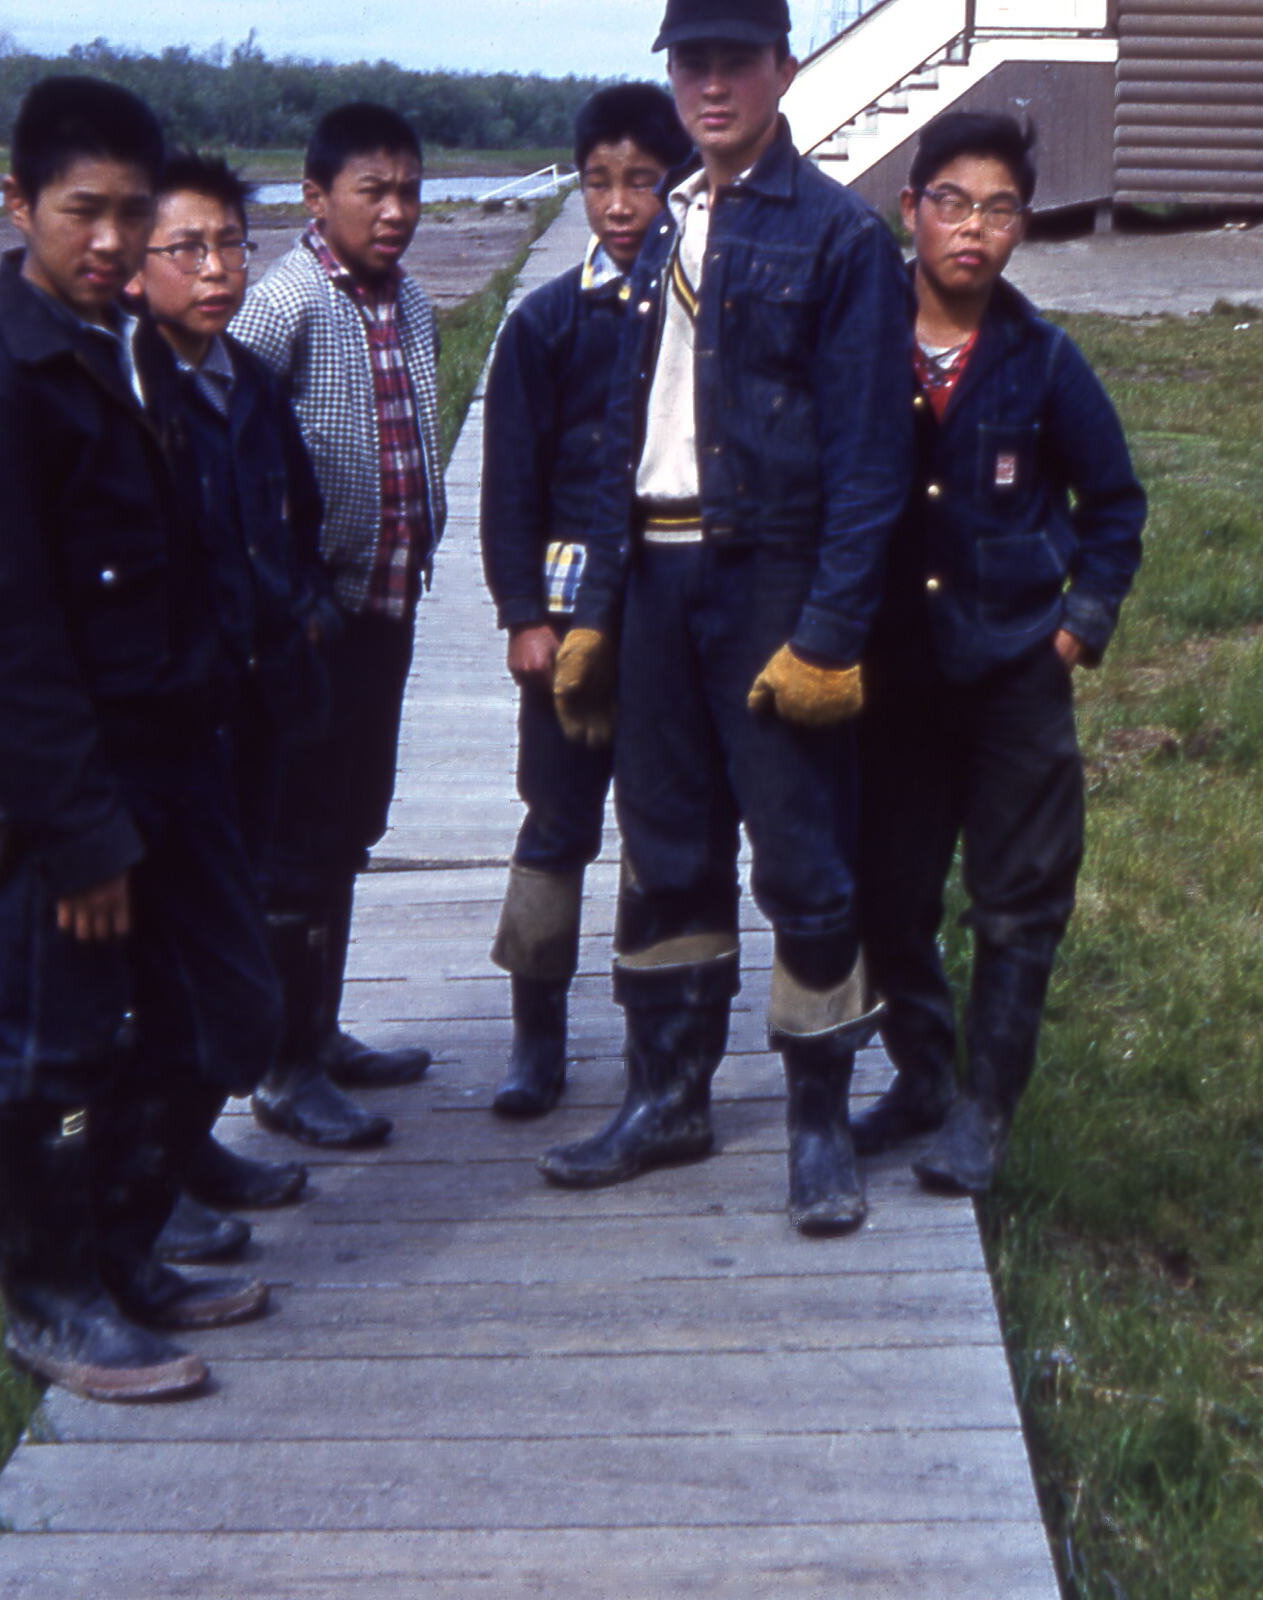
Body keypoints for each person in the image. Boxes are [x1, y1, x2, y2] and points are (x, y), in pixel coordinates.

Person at [0, 77, 279, 1403]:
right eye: (83, 212)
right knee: (53, 1053)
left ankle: (127, 1252)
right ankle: (54, 1304)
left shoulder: (130, 352)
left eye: (133, 212)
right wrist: (73, 835)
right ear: (17, 208)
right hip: (79, 789)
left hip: (182, 762)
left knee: (224, 1012)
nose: (113, 240)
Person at [542, 0, 913, 1235]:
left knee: (804, 857)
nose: (709, 85)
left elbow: (870, 465)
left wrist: (830, 635)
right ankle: (669, 1097)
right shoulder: (659, 233)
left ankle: (818, 1125)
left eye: (733, 62)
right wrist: (595, 606)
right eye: (689, 63)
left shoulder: (844, 240)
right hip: (653, 577)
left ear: (782, 69)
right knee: (664, 850)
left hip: (768, 580)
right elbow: (612, 451)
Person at [850, 113, 1146, 1195]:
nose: (973, 229)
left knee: (1019, 898)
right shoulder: (860, 336)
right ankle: (923, 1071)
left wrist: (1079, 623)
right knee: (886, 890)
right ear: (911, 209)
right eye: (952, 203)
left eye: (1000, 208)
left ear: (1024, 225)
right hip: (889, 677)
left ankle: (986, 1110)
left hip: (1015, 673)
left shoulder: (1043, 362)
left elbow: (1116, 505)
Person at [125, 150, 337, 1262]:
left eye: (229, 247)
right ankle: (143, 1189)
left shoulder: (244, 381)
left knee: (242, 919)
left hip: (256, 703)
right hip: (173, 722)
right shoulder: (128, 396)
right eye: (187, 249)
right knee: (167, 960)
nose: (215, 270)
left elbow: (291, 515)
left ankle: (194, 1147)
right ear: (132, 263)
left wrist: (299, 612)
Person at [230, 103, 446, 1146]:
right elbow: (228, 453)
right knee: (297, 840)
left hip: (386, 611)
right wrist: (281, 589)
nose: (397, 210)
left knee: (354, 823)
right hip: (310, 624)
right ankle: (279, 1063)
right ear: (317, 197)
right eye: (375, 190)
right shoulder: (281, 306)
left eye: (411, 189)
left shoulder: (412, 305)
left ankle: (323, 1027)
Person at [480, 84, 691, 1118]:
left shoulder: (704, 315)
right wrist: (524, 611)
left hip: (668, 613)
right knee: (557, 819)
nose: (619, 204)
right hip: (566, 620)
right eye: (600, 181)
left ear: (676, 186)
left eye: (642, 181)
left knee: (662, 827)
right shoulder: (544, 324)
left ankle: (659, 1040)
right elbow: (509, 482)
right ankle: (536, 1037)